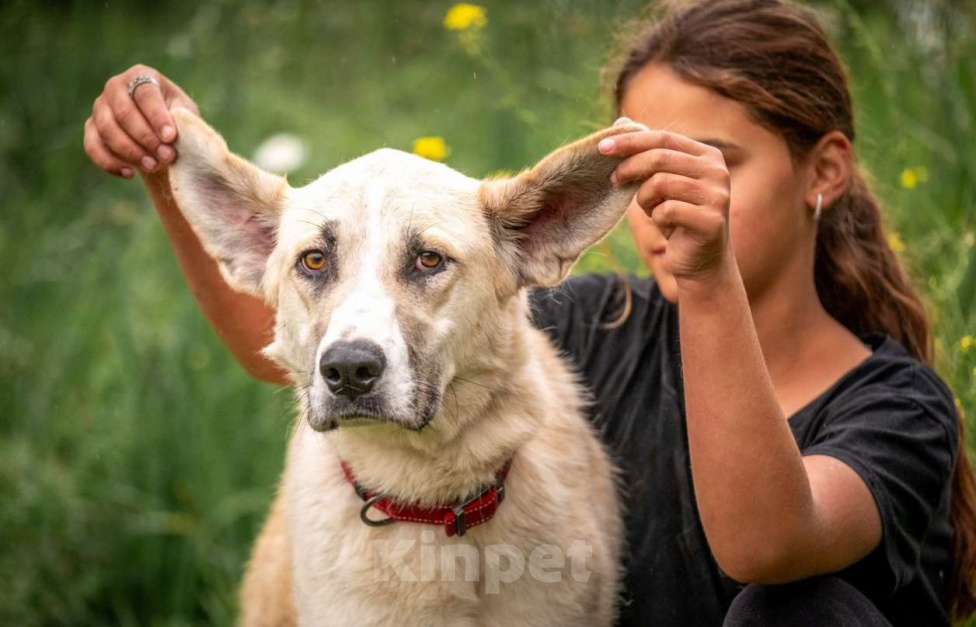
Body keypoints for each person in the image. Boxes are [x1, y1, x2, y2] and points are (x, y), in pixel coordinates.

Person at [83, 0, 976, 625]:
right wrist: (172, 170)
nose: (672, 201)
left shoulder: (899, 408)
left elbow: (767, 547)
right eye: (648, 173)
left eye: (711, 164)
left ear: (824, 172)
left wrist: (710, 278)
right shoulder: (599, 329)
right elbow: (312, 345)